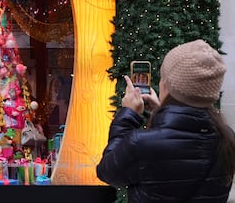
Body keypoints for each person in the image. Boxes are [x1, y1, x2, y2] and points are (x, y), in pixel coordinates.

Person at [96, 39, 235, 202]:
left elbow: (108, 172)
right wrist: (160, 111)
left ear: (168, 87)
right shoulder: (227, 138)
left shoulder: (142, 143)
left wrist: (127, 115)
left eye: (163, 78)